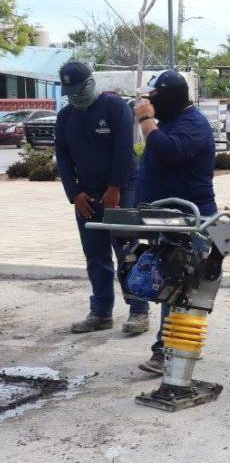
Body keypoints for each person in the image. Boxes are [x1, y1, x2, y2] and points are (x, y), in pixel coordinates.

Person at [54, 60, 149, 335]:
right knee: (95, 254)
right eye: (69, 90)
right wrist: (74, 194)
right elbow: (62, 158)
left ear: (91, 83)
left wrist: (115, 188)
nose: (75, 95)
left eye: (79, 88)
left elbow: (123, 150)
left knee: (127, 250)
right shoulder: (66, 117)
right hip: (86, 195)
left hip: (122, 189)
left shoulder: (115, 107)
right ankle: (101, 312)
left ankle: (139, 311)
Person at [133, 69, 217, 374]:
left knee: (180, 286)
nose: (147, 103)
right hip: (166, 218)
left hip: (189, 220)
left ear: (167, 97)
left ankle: (168, 350)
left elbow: (168, 152)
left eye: (152, 98)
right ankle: (173, 347)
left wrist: (145, 121)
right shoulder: (171, 121)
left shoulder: (192, 124)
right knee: (167, 283)